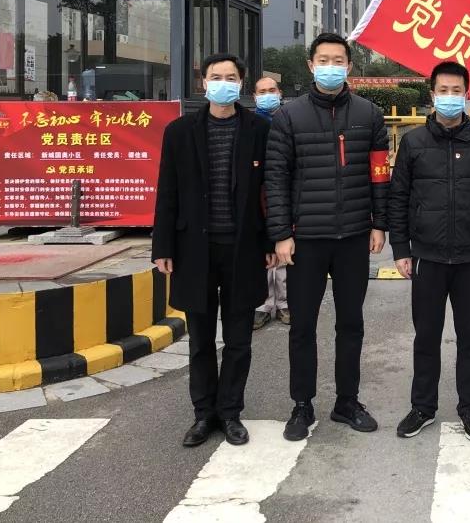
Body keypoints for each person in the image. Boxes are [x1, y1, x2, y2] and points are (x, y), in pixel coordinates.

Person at [265, 33, 391, 442]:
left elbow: (379, 174)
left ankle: (347, 401)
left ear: (349, 66)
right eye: (324, 60)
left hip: (354, 236)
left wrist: (379, 224)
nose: (331, 66)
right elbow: (276, 178)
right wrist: (281, 234)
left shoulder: (369, 114)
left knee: (351, 323)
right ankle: (302, 404)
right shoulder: (289, 116)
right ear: (311, 65)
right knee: (302, 325)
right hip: (306, 239)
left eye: (339, 60)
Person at [152, 53, 272, 448]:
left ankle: (230, 412)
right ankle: (204, 414)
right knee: (200, 340)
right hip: (194, 250)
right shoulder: (180, 131)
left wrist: (270, 241)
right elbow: (167, 191)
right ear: (203, 83)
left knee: (239, 340)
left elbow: (269, 191)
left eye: (231, 77)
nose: (223, 83)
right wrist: (163, 246)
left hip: (243, 248)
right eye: (216, 77)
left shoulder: (259, 129)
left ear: (241, 83)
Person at [389, 62, 470, 441]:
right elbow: (398, 198)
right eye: (444, 90)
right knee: (426, 336)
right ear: (432, 94)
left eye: (457, 90)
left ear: (467, 94)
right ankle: (422, 407)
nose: (450, 97)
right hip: (427, 256)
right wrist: (401, 248)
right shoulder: (413, 142)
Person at [252, 76, 289, 331]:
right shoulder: (250, 125)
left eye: (272, 90)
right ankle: (263, 304)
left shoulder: (289, 120)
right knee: (261, 252)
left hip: (285, 192)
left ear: (280, 92)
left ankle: (285, 303)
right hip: (258, 193)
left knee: (285, 251)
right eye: (262, 91)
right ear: (255, 97)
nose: (268, 95)